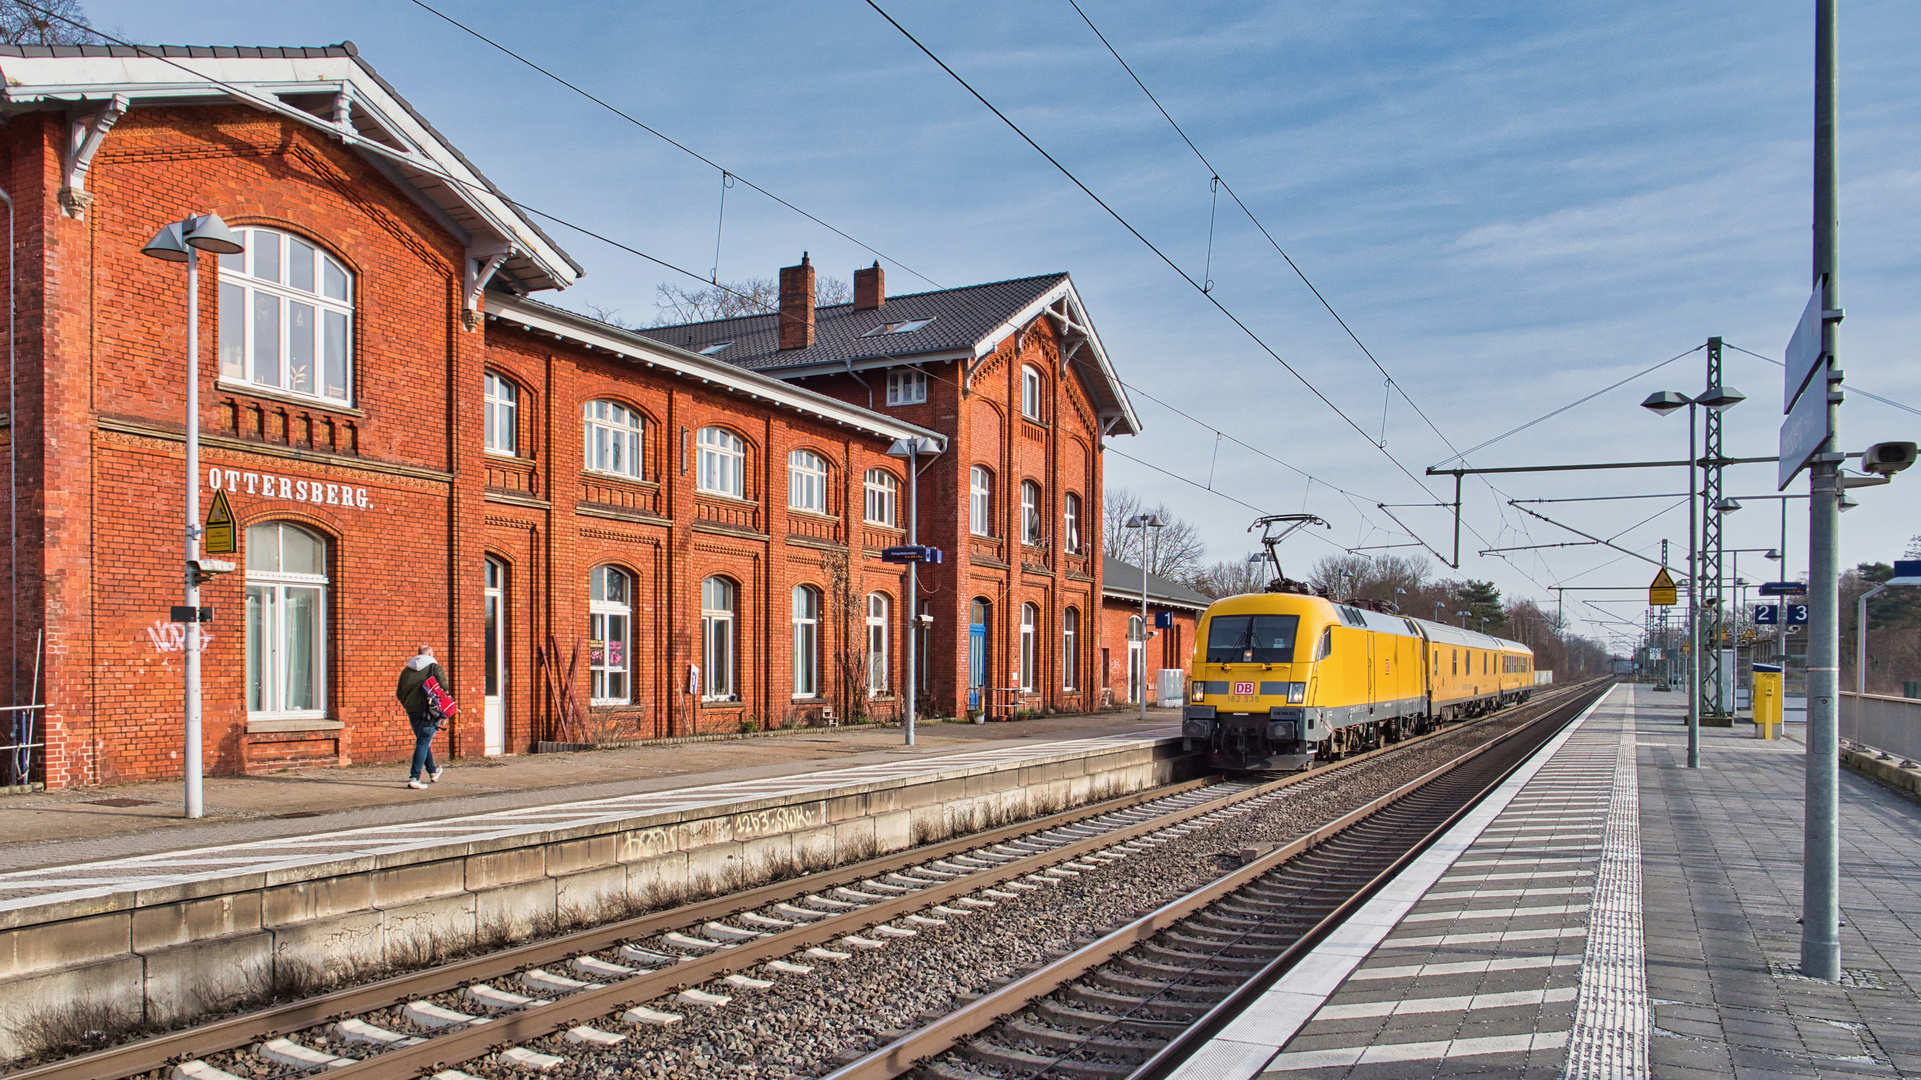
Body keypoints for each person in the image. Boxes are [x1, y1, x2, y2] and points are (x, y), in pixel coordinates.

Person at [395, 645, 448, 790]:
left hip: (412, 711)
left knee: (423, 741)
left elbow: (399, 693)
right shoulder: (434, 668)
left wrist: (408, 704)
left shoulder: (406, 670)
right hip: (429, 712)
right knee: (423, 742)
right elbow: (444, 687)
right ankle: (414, 777)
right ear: (430, 653)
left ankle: (432, 771)